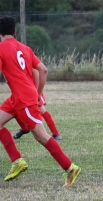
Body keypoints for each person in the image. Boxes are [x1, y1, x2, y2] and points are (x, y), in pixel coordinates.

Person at [0, 15, 81, 186]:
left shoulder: (1, 48)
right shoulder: (25, 48)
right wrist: (38, 93)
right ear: (15, 32)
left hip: (24, 99)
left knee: (41, 136)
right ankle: (17, 161)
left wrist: (34, 96)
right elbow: (43, 69)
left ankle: (70, 167)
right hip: (18, 97)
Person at [13, 69, 62, 140]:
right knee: (15, 109)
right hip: (21, 90)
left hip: (32, 90)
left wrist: (36, 91)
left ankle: (56, 134)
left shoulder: (28, 59)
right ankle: (25, 129)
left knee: (41, 110)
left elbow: (38, 73)